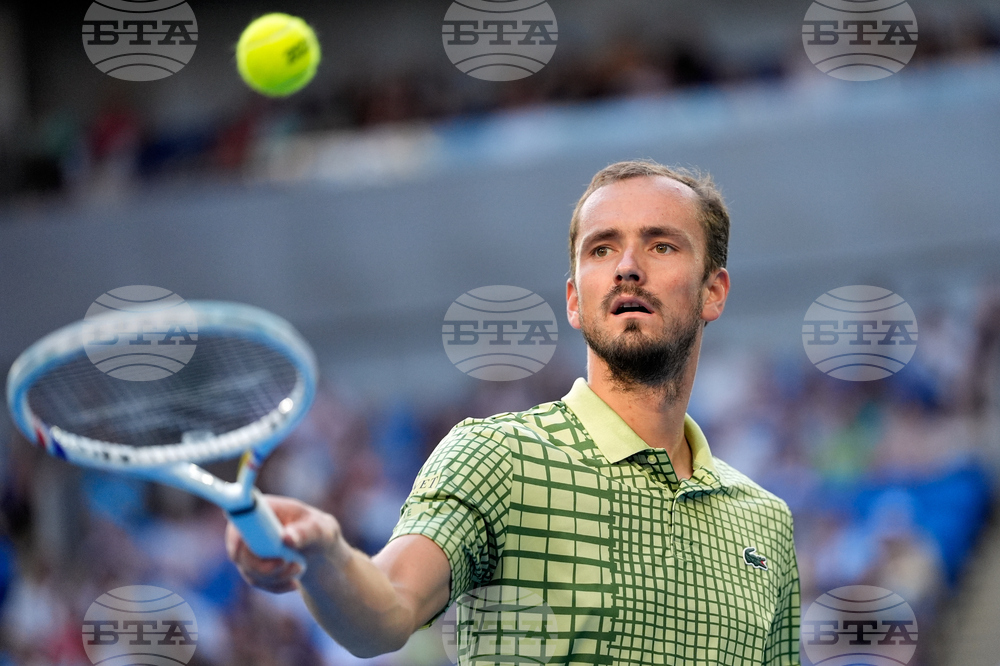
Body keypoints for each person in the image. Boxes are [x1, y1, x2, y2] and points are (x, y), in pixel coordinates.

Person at [226, 160, 801, 664]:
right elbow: (387, 611)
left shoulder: (766, 522)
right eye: (601, 249)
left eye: (661, 246)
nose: (627, 266)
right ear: (574, 300)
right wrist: (326, 556)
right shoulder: (495, 456)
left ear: (713, 291)